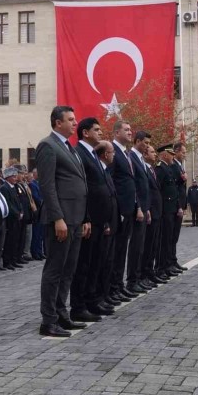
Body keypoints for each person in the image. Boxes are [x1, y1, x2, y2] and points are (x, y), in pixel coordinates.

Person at [36, 105, 90, 338]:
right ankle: (48, 321)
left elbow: (80, 183)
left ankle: (61, 314)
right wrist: (57, 217)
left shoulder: (70, 147)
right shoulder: (48, 146)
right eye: (71, 119)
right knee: (55, 270)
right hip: (61, 220)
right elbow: (47, 186)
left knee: (68, 270)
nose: (75, 123)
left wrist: (85, 217)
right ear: (58, 122)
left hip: (76, 218)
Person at [72, 117, 117, 321]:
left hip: (100, 220)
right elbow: (84, 190)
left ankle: (92, 300)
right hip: (89, 220)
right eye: (96, 129)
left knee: (95, 263)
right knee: (84, 264)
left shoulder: (91, 154)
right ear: (85, 133)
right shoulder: (79, 153)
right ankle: (79, 306)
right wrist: (85, 218)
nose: (100, 132)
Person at [108, 120, 140, 304]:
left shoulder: (126, 153)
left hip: (129, 208)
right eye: (126, 130)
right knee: (116, 250)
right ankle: (113, 287)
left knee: (122, 250)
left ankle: (119, 285)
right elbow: (111, 180)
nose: (130, 132)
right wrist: (117, 208)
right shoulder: (112, 151)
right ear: (116, 132)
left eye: (130, 129)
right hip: (119, 209)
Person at [94, 141, 125, 308]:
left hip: (112, 220)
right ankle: (99, 297)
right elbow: (99, 197)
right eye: (112, 152)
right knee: (102, 261)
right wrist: (106, 221)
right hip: (104, 222)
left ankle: (105, 295)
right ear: (105, 154)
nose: (114, 155)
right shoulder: (99, 170)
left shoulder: (105, 170)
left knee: (109, 260)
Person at [126, 130, 153, 295]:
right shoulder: (131, 157)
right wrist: (139, 207)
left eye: (149, 144)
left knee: (141, 246)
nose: (148, 146)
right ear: (137, 141)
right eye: (146, 143)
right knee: (135, 246)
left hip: (144, 208)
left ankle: (138, 278)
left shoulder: (141, 159)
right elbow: (134, 186)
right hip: (137, 210)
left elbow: (145, 187)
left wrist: (147, 208)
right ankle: (132, 280)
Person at [141, 144, 167, 285]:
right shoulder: (145, 169)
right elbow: (147, 192)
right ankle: (144, 274)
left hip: (157, 212)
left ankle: (150, 272)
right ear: (145, 155)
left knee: (154, 245)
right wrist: (148, 209)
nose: (155, 154)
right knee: (148, 245)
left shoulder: (152, 169)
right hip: (151, 212)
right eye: (152, 152)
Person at [155, 144, 181, 279]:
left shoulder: (167, 168)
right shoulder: (160, 169)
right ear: (165, 155)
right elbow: (158, 190)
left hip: (171, 209)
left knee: (169, 239)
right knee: (164, 240)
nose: (173, 157)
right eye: (171, 154)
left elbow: (173, 190)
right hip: (165, 210)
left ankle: (167, 266)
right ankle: (161, 268)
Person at [169, 142, 188, 273]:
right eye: (183, 152)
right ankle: (169, 262)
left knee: (175, 236)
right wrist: (179, 206)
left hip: (179, 204)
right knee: (171, 236)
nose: (184, 154)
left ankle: (173, 260)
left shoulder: (179, 165)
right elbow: (175, 187)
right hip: (175, 205)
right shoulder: (173, 165)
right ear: (176, 151)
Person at [0, 168, 24, 270]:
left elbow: (19, 201)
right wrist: (17, 213)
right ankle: (7, 261)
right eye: (13, 177)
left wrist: (21, 211)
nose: (15, 178)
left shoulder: (14, 187)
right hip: (11, 218)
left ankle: (13, 260)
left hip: (17, 217)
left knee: (15, 240)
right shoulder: (4, 188)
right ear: (8, 177)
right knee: (9, 240)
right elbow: (8, 204)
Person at [29, 169, 45, 260]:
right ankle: (35, 252)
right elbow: (36, 197)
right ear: (35, 174)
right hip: (37, 211)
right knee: (36, 234)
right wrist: (44, 203)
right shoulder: (32, 184)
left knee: (40, 234)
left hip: (42, 212)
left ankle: (39, 251)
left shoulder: (39, 183)